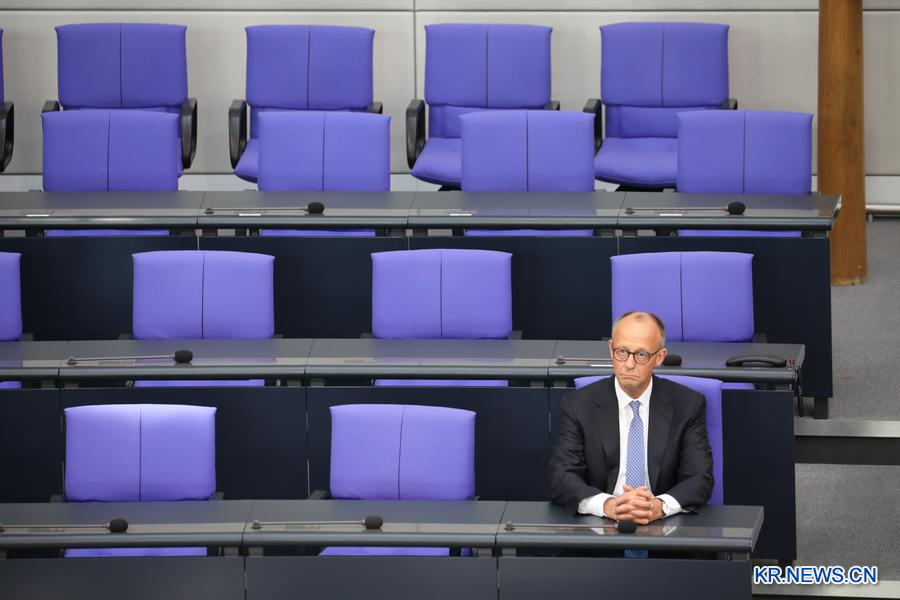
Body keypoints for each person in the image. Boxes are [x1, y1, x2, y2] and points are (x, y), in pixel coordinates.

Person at [549, 311, 713, 524]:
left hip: (665, 525)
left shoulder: (688, 404)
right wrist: (608, 506)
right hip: (601, 524)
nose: (628, 364)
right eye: (622, 352)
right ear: (611, 348)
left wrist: (658, 507)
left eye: (641, 355)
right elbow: (562, 477)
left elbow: (700, 478)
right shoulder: (578, 405)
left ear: (660, 357)